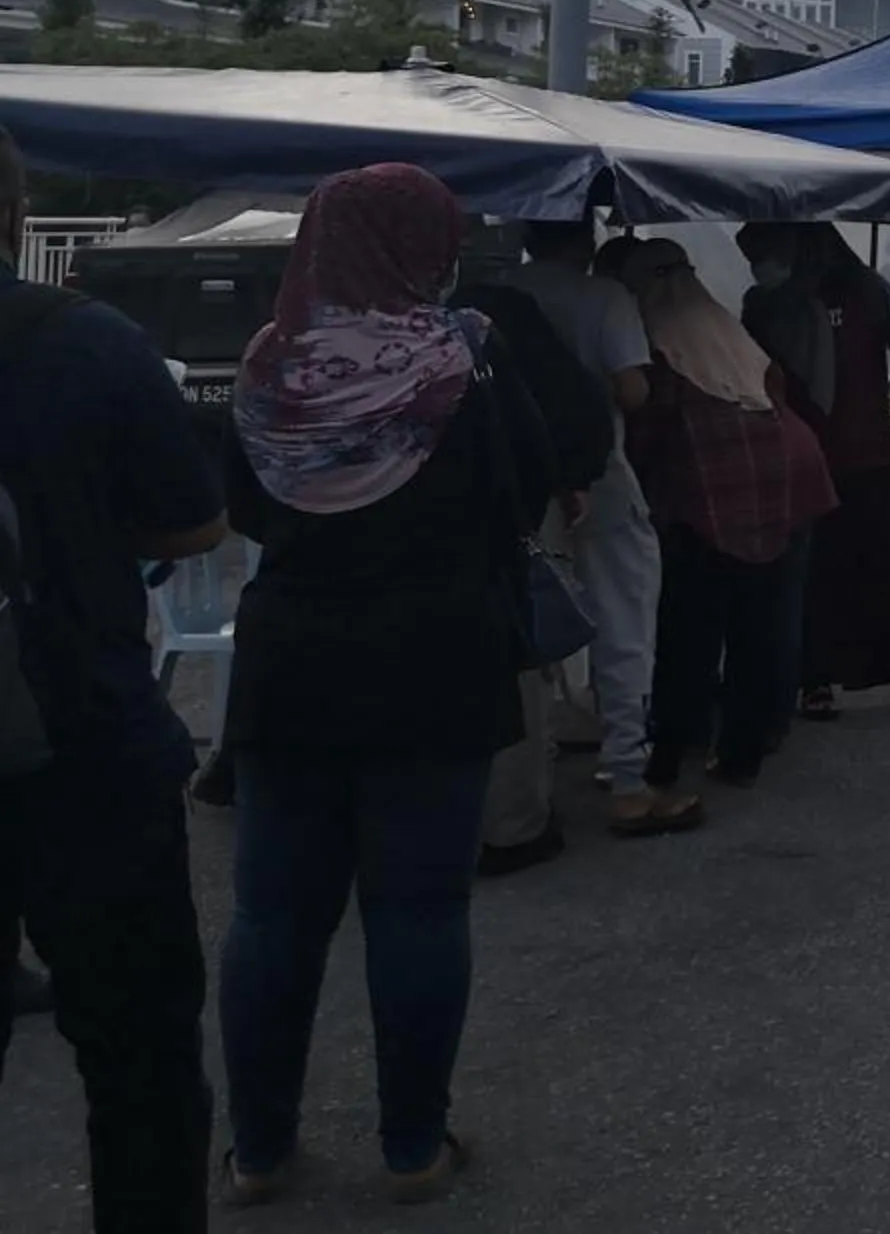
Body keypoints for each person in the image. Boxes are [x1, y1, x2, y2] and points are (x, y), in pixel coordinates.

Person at [218, 164, 562, 1205]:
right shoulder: (465, 361)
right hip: (435, 662)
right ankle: (412, 1145)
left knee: (272, 916)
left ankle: (258, 1151)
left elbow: (242, 505)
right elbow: (532, 483)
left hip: (292, 664)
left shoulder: (267, 364)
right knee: (417, 911)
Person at [0, 125, 225, 1234]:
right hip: (82, 740)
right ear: (14, 217)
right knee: (136, 1062)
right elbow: (194, 523)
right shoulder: (87, 344)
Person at [613, 241, 838, 793]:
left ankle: (681, 743)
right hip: (791, 468)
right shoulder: (723, 323)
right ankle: (753, 737)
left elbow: (646, 428)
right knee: (768, 613)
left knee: (692, 621)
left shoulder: (653, 340)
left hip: (717, 483)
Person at [498, 219, 694, 838]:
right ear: (584, 238)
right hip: (600, 478)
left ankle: (528, 783)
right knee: (625, 620)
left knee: (532, 627)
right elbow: (632, 390)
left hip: (522, 485)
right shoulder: (602, 297)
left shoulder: (495, 292)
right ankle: (629, 781)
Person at [736, 224, 890, 719]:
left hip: (865, 453)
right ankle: (814, 679)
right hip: (799, 456)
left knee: (888, 567)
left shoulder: (867, 290)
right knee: (810, 572)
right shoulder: (764, 304)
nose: (761, 264)